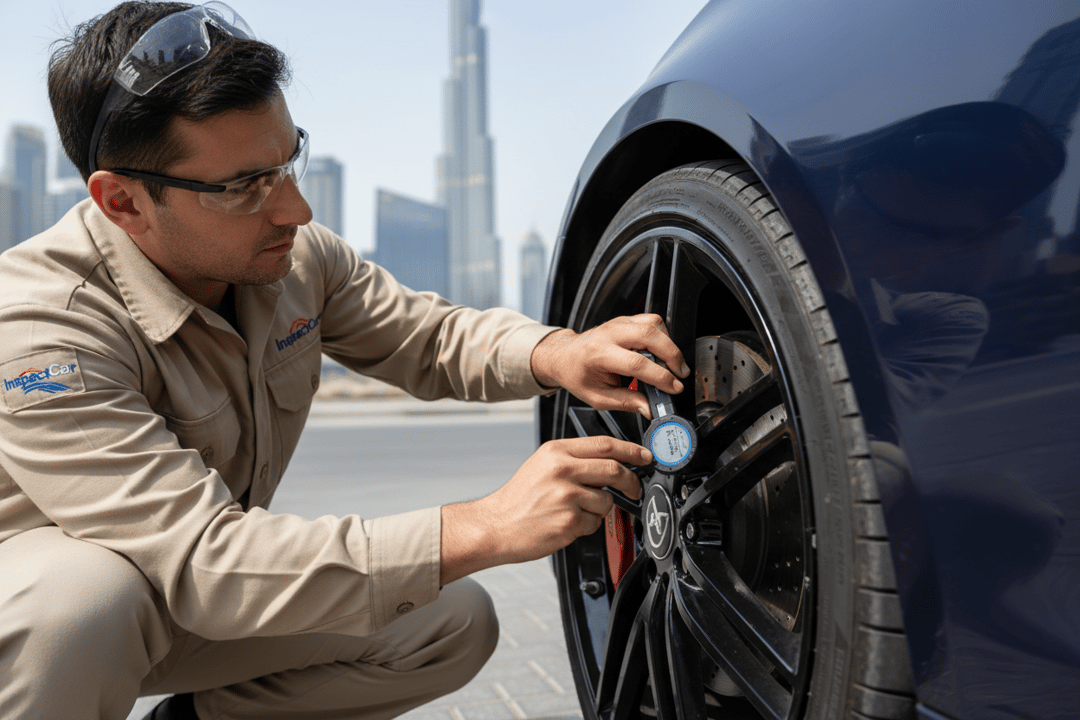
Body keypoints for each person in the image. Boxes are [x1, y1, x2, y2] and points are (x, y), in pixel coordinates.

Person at [0, 3, 688, 719]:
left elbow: (426, 337)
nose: (293, 209)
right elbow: (206, 558)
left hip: (193, 590)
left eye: (285, 161)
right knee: (80, 602)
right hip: (56, 619)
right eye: (242, 186)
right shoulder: (43, 331)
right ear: (124, 202)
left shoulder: (288, 258)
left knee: (447, 619)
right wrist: (486, 524)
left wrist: (558, 351)